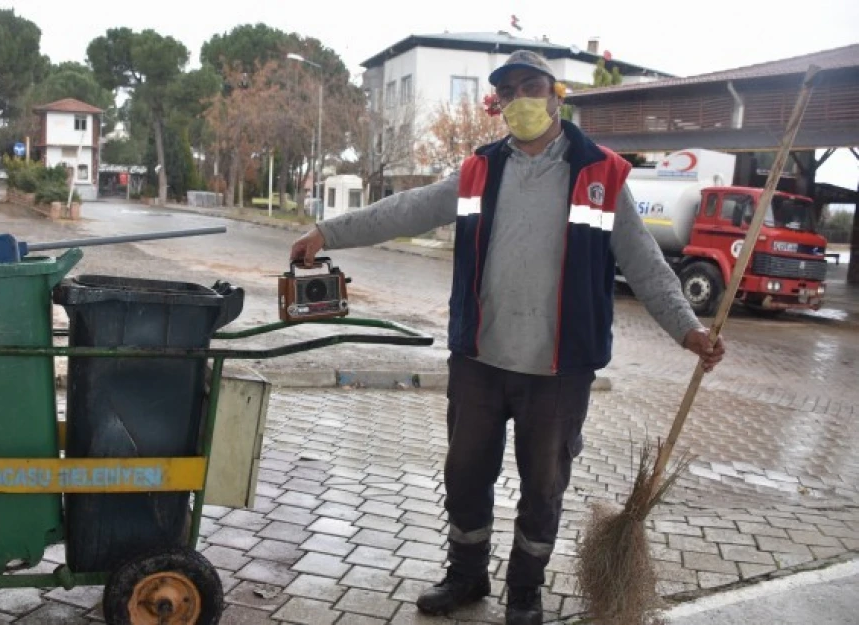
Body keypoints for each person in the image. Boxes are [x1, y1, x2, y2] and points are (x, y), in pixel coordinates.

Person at [290, 50, 725, 624]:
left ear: (555, 94)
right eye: (510, 90)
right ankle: (466, 577)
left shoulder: (603, 175)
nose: (521, 98)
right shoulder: (479, 170)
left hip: (559, 371)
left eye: (532, 86)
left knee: (543, 490)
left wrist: (688, 328)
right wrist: (328, 231)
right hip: (480, 360)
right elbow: (406, 210)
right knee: (466, 476)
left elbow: (645, 266)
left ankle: (525, 591)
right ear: (498, 102)